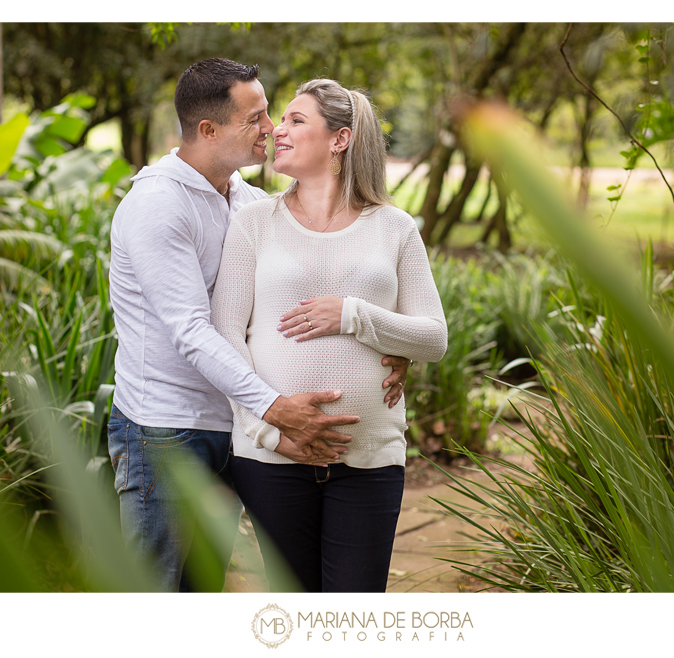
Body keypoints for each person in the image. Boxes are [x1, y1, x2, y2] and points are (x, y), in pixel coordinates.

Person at [106, 59, 409, 592]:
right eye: (258, 117)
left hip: (230, 428)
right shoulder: (157, 204)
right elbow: (193, 330)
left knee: (201, 591)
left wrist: (386, 340)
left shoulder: (246, 201)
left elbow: (287, 296)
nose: (271, 129)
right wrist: (275, 412)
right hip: (166, 432)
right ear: (209, 130)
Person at [210, 78, 448, 592]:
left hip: (369, 458)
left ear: (339, 140)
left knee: (351, 615)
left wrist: (354, 316)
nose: (278, 131)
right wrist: (272, 431)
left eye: (297, 120)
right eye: (282, 120)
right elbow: (226, 336)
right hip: (273, 459)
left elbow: (433, 338)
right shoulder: (254, 222)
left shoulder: (394, 227)